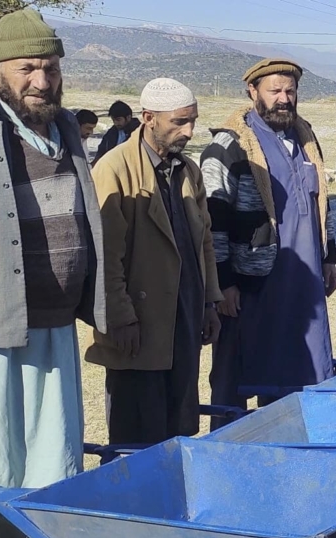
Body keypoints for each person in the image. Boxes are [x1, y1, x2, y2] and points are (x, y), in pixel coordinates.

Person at [0, 9, 106, 538]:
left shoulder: (64, 133)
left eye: (51, 68)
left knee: (47, 471)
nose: (41, 80)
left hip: (55, 327)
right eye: (28, 68)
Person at [200, 58, 336, 426]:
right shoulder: (229, 145)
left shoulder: (306, 138)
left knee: (302, 378)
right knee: (237, 380)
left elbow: (321, 201)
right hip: (252, 286)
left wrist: (329, 256)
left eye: (290, 91)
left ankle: (294, 448)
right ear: (253, 92)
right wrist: (223, 282)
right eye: (274, 91)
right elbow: (213, 220)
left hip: (303, 287)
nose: (284, 99)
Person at [86, 78, 222, 444]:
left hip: (184, 320)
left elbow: (204, 242)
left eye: (192, 120)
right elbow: (105, 256)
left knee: (177, 432)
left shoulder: (188, 171)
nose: (189, 131)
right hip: (138, 327)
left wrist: (209, 302)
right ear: (148, 118)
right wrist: (120, 316)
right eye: (179, 122)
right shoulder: (113, 170)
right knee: (136, 438)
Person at [92, 99, 140, 165]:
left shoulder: (139, 132)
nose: (115, 123)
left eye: (118, 120)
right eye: (113, 120)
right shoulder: (112, 132)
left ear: (128, 117)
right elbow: (102, 150)